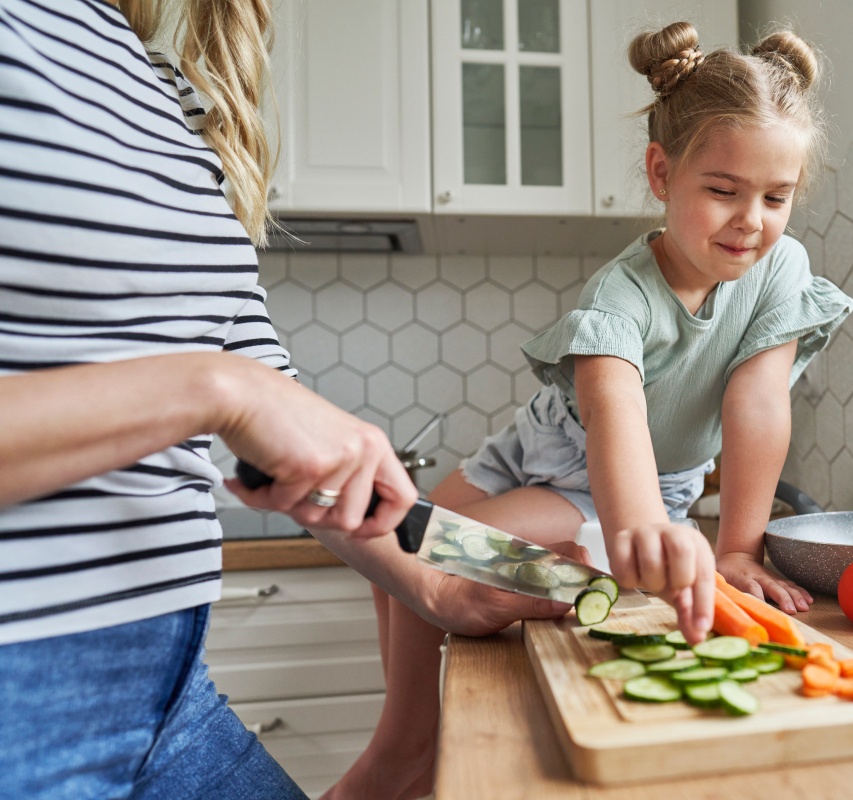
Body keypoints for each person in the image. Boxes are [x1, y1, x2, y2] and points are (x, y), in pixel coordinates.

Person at [0, 1, 580, 797]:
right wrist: (215, 389)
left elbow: (288, 428)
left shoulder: (159, 88)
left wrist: (458, 576)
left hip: (169, 698)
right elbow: (234, 392)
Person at [332, 20, 853, 800]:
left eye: (776, 197)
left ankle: (405, 749)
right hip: (545, 449)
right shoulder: (620, 297)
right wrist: (637, 534)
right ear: (660, 172)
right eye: (722, 190)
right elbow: (615, 419)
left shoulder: (780, 269)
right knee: (401, 538)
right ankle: (409, 737)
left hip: (595, 485)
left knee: (427, 548)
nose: (751, 220)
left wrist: (736, 546)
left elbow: (757, 403)